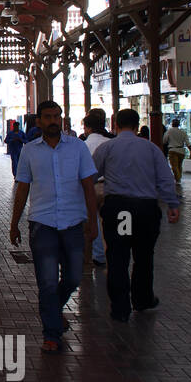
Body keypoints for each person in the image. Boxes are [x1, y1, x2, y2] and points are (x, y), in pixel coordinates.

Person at [9, 100, 98, 355]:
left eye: (57, 116)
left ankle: (54, 312)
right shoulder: (29, 151)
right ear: (38, 121)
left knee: (72, 277)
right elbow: (22, 188)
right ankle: (51, 334)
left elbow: (88, 186)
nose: (53, 121)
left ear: (62, 119)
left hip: (72, 222)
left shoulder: (78, 148)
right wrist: (14, 224)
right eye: (47, 117)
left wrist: (93, 222)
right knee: (47, 282)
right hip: (42, 223)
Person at [93, 109, 180, 323]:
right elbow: (165, 178)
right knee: (143, 256)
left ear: (116, 125)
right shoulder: (151, 148)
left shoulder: (107, 147)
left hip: (121, 209)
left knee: (118, 257)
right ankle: (142, 300)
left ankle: (120, 308)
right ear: (136, 125)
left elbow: (91, 173)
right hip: (145, 210)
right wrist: (172, 204)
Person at [79, 108, 115, 267]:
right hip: (110, 187)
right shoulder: (110, 143)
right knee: (111, 221)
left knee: (92, 220)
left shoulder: (83, 145)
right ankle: (114, 251)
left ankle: (98, 255)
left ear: (88, 128)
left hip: (91, 187)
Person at [161, 118, 191, 188]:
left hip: (172, 150)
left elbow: (164, 141)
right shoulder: (183, 132)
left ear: (172, 124)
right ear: (178, 124)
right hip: (181, 150)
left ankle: (178, 179)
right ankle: (179, 178)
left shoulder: (169, 132)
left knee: (174, 166)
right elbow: (187, 143)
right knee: (179, 166)